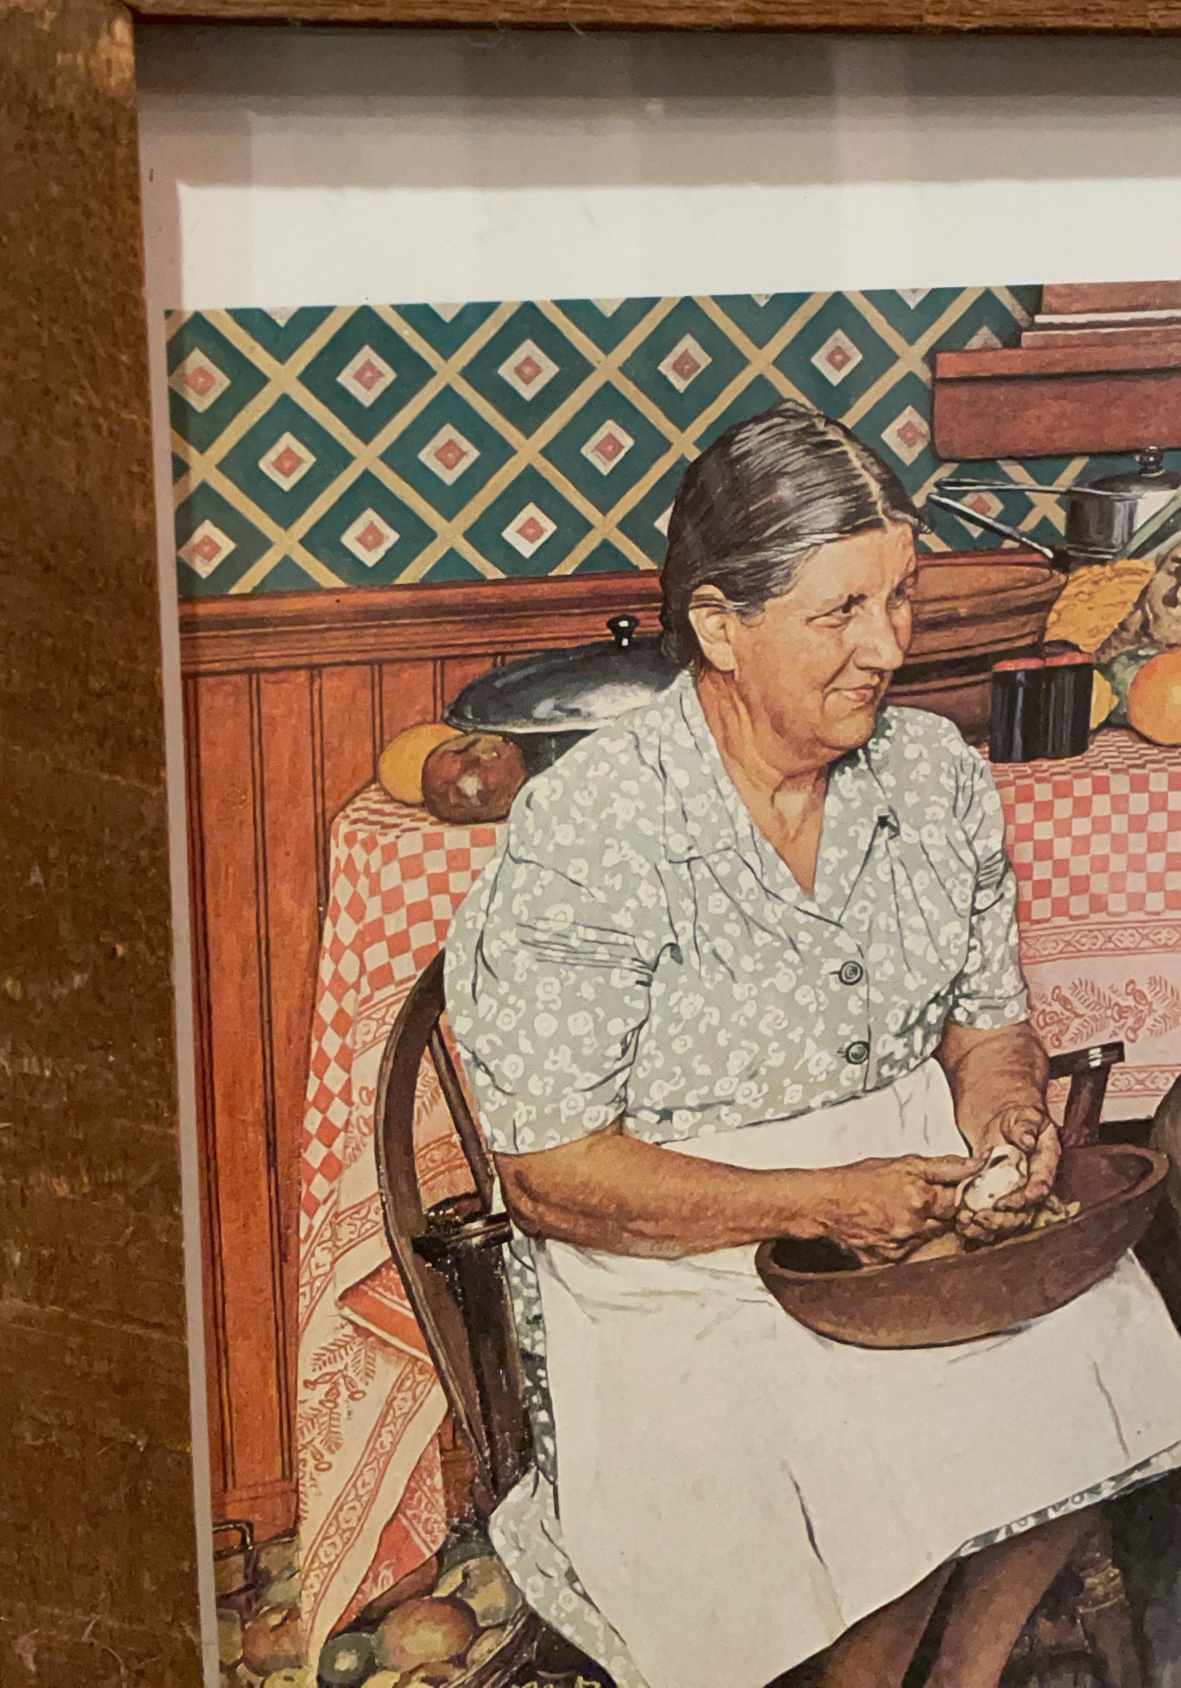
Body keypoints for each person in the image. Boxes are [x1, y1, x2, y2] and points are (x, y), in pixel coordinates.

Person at [444, 402, 1181, 1688]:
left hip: (907, 1201)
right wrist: (816, 1201)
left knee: (1083, 1332)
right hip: (677, 1254)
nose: (885, 647)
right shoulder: (594, 826)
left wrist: (1007, 1121)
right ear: (719, 625)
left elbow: (985, 1028)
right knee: (856, 1440)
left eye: (899, 599)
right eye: (838, 611)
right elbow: (550, 1173)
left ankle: (964, 1671)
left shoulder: (934, 775)